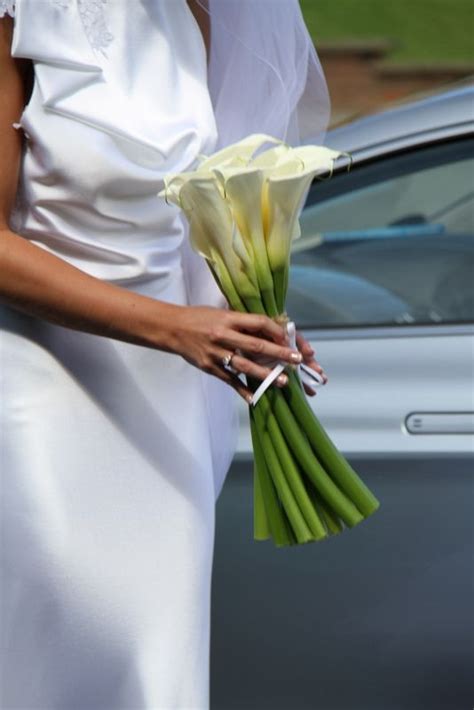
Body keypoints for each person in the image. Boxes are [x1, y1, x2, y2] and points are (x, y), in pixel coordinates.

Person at [0, 1, 330, 707]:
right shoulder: (18, 16)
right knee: (58, 654)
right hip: (42, 398)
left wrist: (239, 326)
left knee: (158, 664)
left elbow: (181, 230)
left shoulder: (191, 15)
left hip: (170, 404)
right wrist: (175, 328)